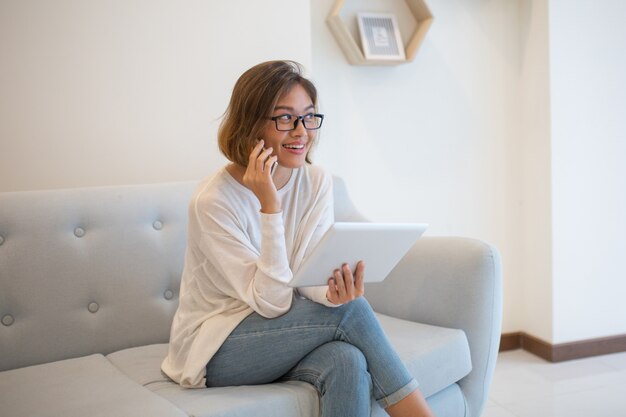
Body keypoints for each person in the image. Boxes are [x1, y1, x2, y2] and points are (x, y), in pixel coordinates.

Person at [162, 60, 435, 417]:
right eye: (285, 118)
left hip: (280, 333)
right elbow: (273, 302)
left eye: (308, 117)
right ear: (251, 125)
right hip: (213, 348)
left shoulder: (316, 181)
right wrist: (269, 209)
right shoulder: (214, 201)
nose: (302, 131)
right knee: (351, 314)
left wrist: (333, 293)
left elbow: (307, 277)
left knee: (347, 360)